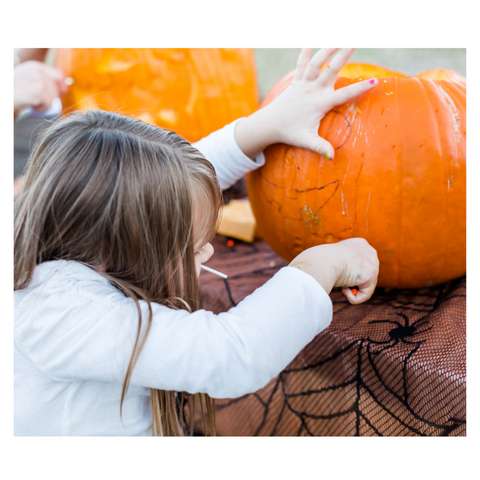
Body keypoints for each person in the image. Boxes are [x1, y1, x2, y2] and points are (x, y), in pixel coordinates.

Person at [14, 48, 379, 436]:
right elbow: (234, 355)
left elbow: (158, 194)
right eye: (191, 245)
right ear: (122, 241)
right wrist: (320, 266)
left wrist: (268, 124)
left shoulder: (54, 237)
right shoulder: (62, 316)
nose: (208, 251)